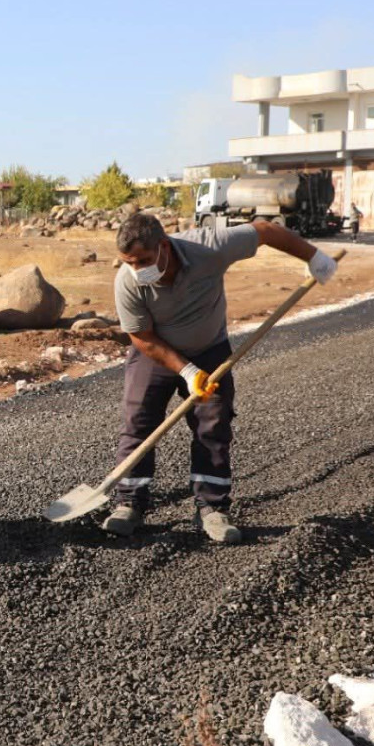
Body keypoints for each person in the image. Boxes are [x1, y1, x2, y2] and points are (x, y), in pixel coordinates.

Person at [102, 215, 336, 544]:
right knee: (138, 420)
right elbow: (142, 337)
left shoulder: (208, 247)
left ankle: (211, 508)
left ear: (164, 247)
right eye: (129, 262)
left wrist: (314, 257)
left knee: (213, 425)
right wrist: (186, 371)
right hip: (155, 353)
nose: (137, 269)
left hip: (209, 350)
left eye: (143, 260)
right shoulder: (127, 281)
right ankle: (130, 503)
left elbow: (266, 231)